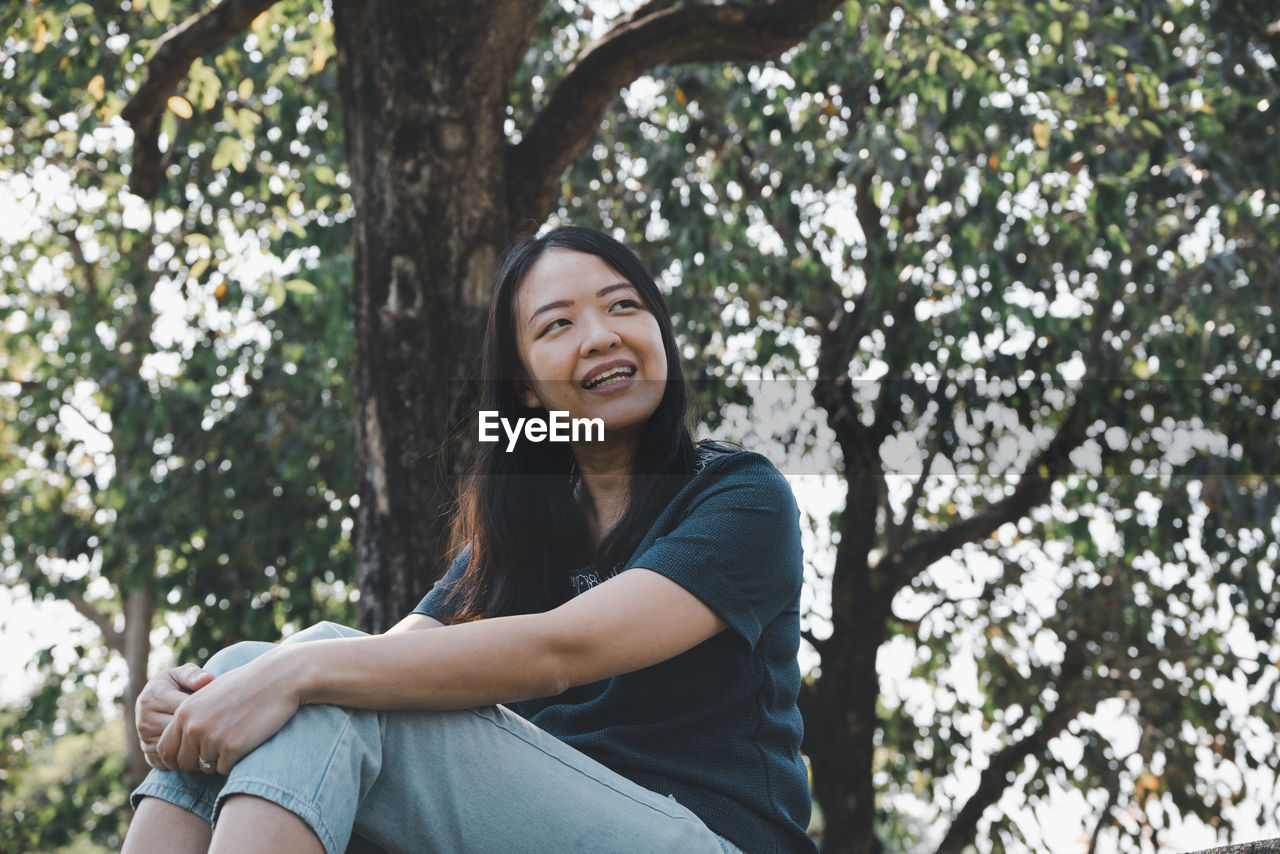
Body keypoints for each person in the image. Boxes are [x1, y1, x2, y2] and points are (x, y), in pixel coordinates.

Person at [122, 226, 816, 854]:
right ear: (527, 392)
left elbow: (563, 651)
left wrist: (291, 673)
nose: (601, 334)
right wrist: (204, 696)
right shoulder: (524, 532)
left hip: (705, 840)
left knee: (309, 678)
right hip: (540, 829)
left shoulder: (737, 496)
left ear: (661, 335)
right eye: (558, 325)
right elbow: (388, 658)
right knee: (251, 664)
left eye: (624, 306)